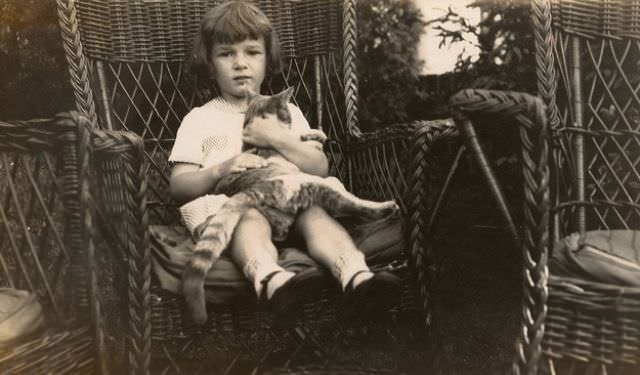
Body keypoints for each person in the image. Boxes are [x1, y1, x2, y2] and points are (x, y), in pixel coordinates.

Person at [169, 0, 400, 318]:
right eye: (226, 54)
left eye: (252, 52)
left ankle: (357, 276)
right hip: (234, 209)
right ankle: (271, 279)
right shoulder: (199, 119)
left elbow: (319, 168)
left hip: (289, 206)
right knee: (247, 218)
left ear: (268, 59)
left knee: (315, 212)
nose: (240, 63)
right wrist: (221, 169)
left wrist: (276, 138)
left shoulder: (287, 111)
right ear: (210, 63)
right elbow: (179, 186)